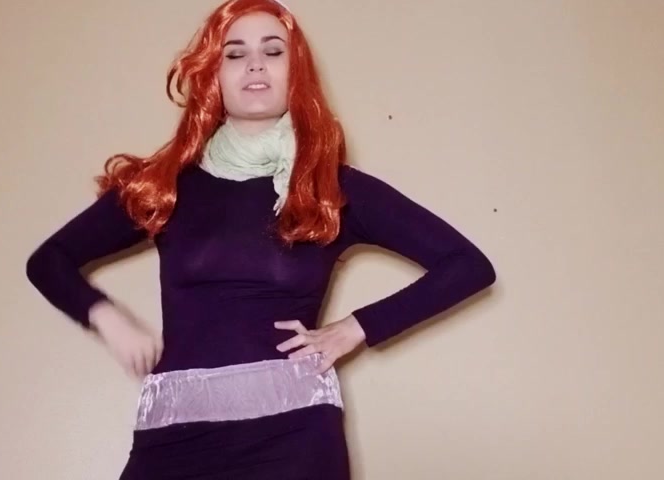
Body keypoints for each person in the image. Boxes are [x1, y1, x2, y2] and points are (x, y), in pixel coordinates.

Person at [25, 0, 496, 478]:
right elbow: (49, 260)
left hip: (294, 437)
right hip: (175, 436)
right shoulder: (165, 186)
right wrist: (107, 317)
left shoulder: (332, 188)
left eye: (273, 51)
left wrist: (355, 328)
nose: (254, 64)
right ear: (213, 74)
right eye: (235, 53)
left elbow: (467, 265)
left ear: (296, 72)